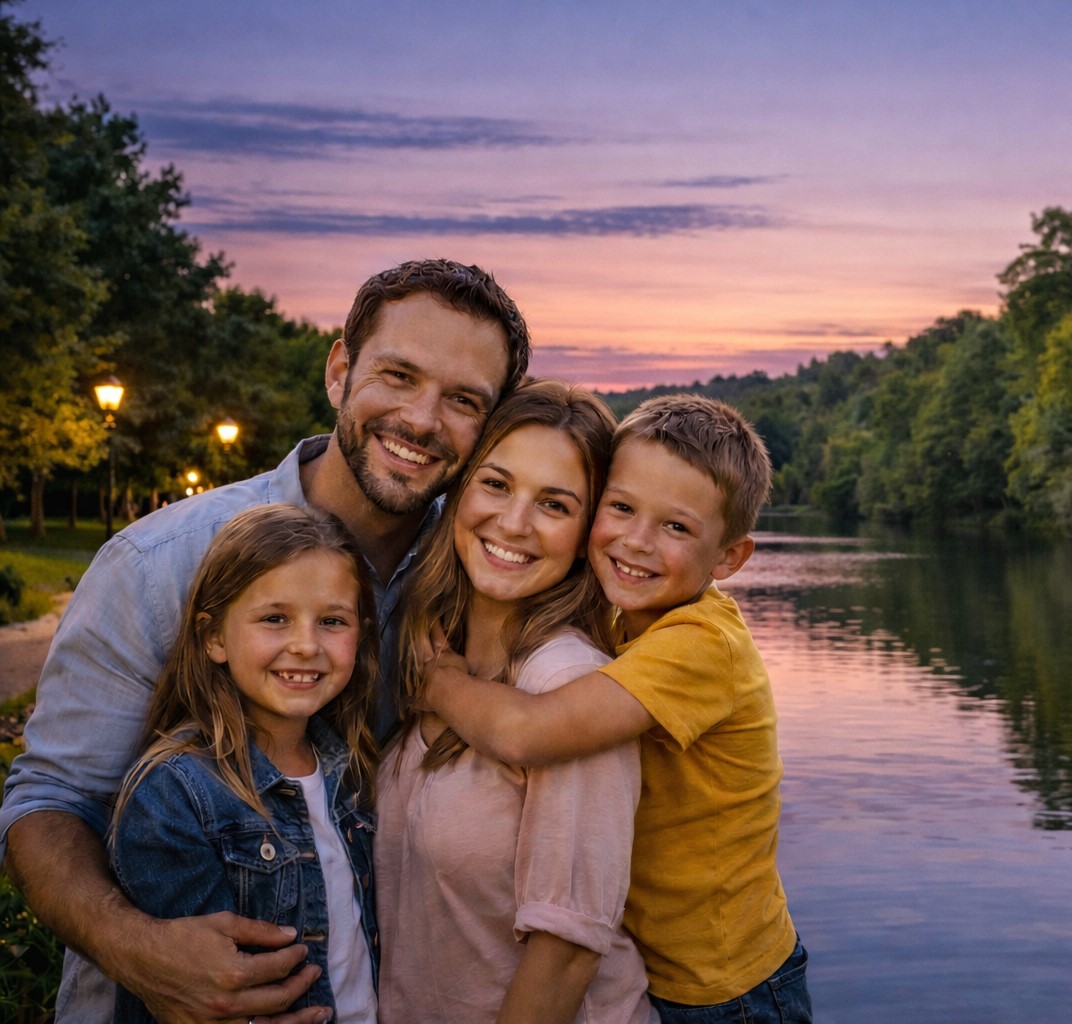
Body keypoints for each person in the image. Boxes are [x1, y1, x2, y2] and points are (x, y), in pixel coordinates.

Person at [0, 258, 529, 1024]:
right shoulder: (158, 565)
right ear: (340, 371)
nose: (422, 419)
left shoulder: (492, 583)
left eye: (463, 400)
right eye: (399, 376)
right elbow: (51, 800)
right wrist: (134, 947)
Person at [426, 394, 811, 1024]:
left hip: (726, 990)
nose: (636, 541)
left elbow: (528, 731)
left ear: (729, 557)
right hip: (660, 967)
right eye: (622, 508)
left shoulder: (702, 645)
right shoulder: (622, 619)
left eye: (676, 527)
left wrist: (437, 680)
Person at [376, 379, 656, 1024]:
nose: (513, 523)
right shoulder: (430, 653)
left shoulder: (571, 688)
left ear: (588, 533)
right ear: (458, 492)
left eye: (554, 505)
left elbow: (566, 954)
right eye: (496, 484)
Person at [110, 504, 381, 1024]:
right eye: (275, 618)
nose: (305, 645)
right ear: (213, 637)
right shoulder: (175, 793)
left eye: (332, 621)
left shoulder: (352, 771)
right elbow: (197, 989)